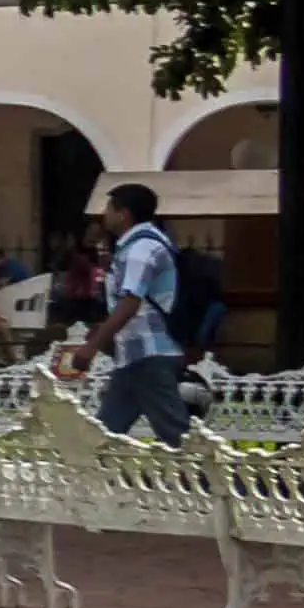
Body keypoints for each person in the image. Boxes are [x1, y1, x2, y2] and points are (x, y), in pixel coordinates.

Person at [98, 180, 205, 439]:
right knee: (104, 434)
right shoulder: (135, 247)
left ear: (123, 215)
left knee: (177, 437)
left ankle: (212, 480)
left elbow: (131, 302)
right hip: (134, 356)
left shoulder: (141, 249)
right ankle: (90, 477)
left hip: (150, 355)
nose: (104, 214)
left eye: (109, 208)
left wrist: (93, 344)